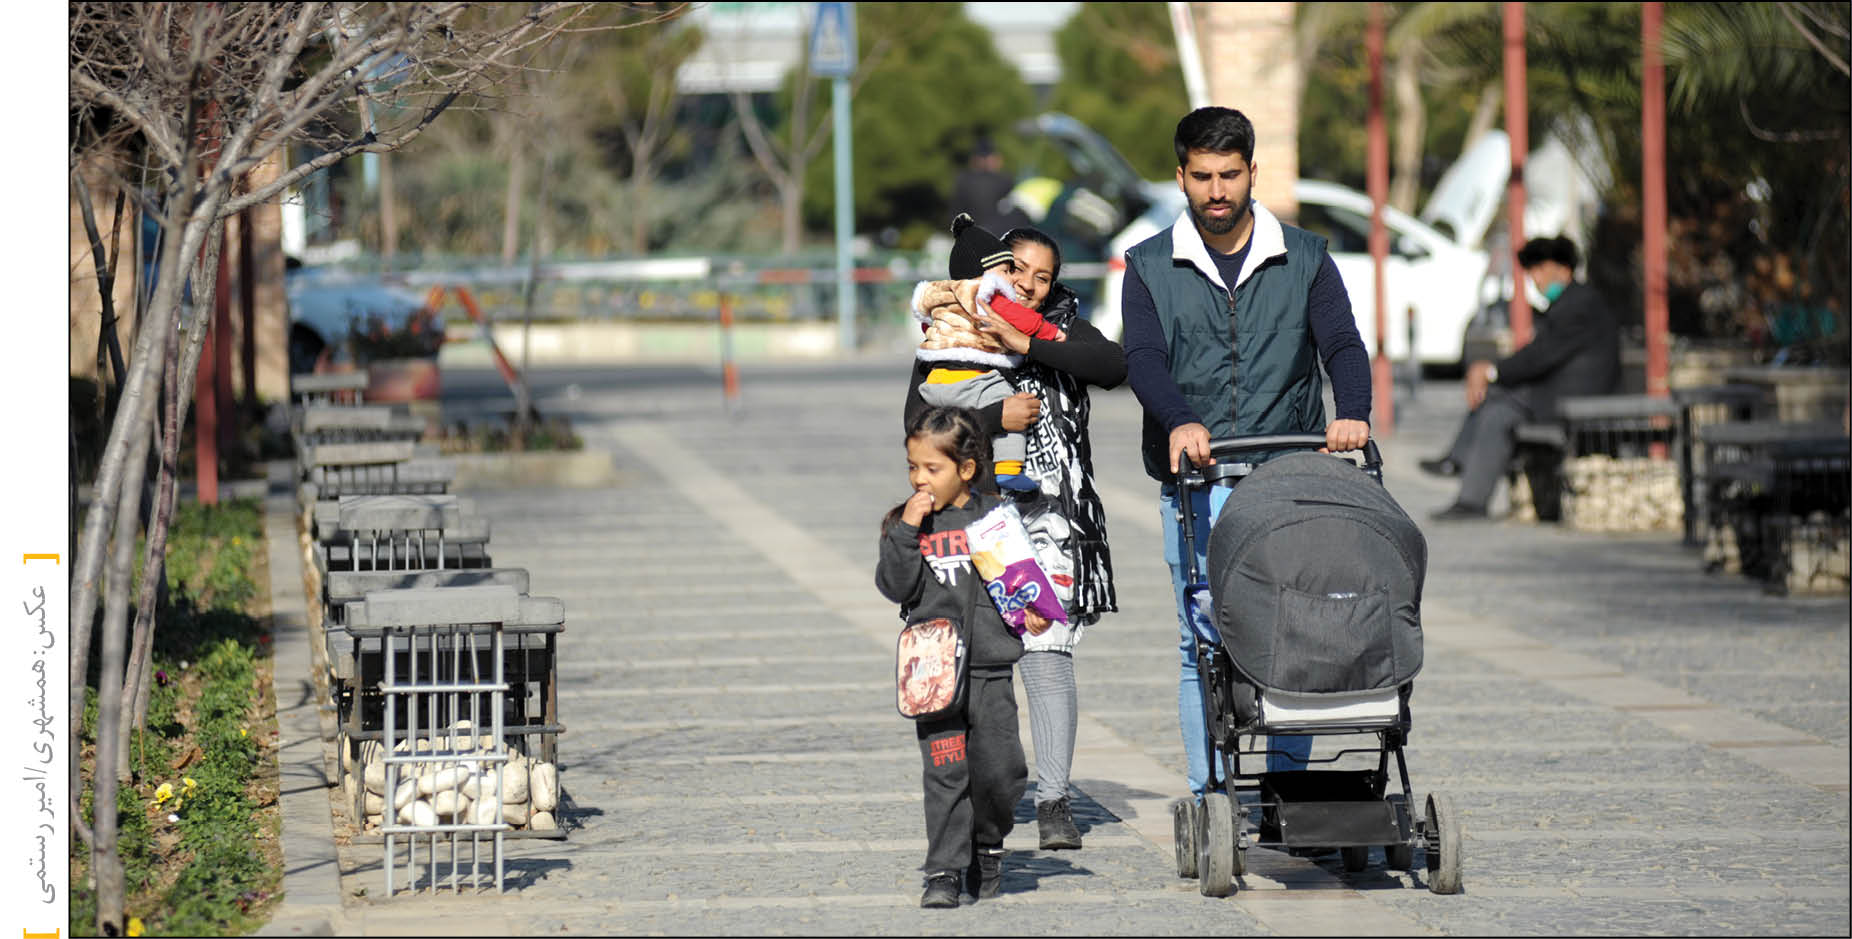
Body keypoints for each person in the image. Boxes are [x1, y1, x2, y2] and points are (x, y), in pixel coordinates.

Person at [1120, 107, 1373, 808]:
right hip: (1196, 481)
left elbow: (1343, 345)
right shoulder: (1147, 266)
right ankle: (1213, 795)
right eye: (1201, 176)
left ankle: (1288, 789)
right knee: (1200, 644)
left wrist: (1352, 410)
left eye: (1230, 174)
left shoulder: (1306, 256)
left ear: (1252, 172)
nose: (1217, 189)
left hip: (1289, 477)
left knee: (1301, 634)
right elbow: (1143, 357)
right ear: (1181, 177)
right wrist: (1178, 419)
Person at [905, 226, 1125, 851]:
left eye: (1043, 275)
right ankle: (984, 797)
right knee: (980, 666)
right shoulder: (949, 336)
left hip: (1053, 519)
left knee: (1049, 656)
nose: (1029, 285)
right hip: (977, 522)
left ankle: (1054, 800)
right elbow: (917, 428)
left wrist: (1026, 340)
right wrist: (988, 420)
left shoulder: (1063, 326)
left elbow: (1111, 365)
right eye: (1017, 271)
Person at [876, 406, 1030, 908]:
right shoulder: (907, 526)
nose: (920, 479)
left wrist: (1035, 611)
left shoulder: (994, 517)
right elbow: (894, 585)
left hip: (989, 671)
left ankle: (987, 842)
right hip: (933, 675)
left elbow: (1021, 582)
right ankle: (943, 869)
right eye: (912, 468)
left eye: (932, 469)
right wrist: (904, 532)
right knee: (945, 774)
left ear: (966, 469)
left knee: (1000, 773)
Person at [1422, 234, 1621, 520]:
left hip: (1578, 401)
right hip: (1565, 396)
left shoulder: (1578, 306)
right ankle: (1466, 489)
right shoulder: (1574, 303)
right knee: (1498, 410)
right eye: (1532, 272)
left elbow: (1540, 356)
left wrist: (1491, 371)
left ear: (1564, 269)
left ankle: (1462, 476)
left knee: (1498, 403)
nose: (1536, 279)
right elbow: (1538, 355)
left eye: (1541, 270)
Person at [912, 215, 1061, 491]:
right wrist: (1049, 334)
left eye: (1042, 277)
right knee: (1012, 402)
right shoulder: (988, 294)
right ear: (986, 272)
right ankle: (1009, 468)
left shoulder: (944, 294)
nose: (1019, 281)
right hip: (970, 378)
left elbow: (927, 321)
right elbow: (1022, 319)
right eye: (1010, 269)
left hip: (936, 383)